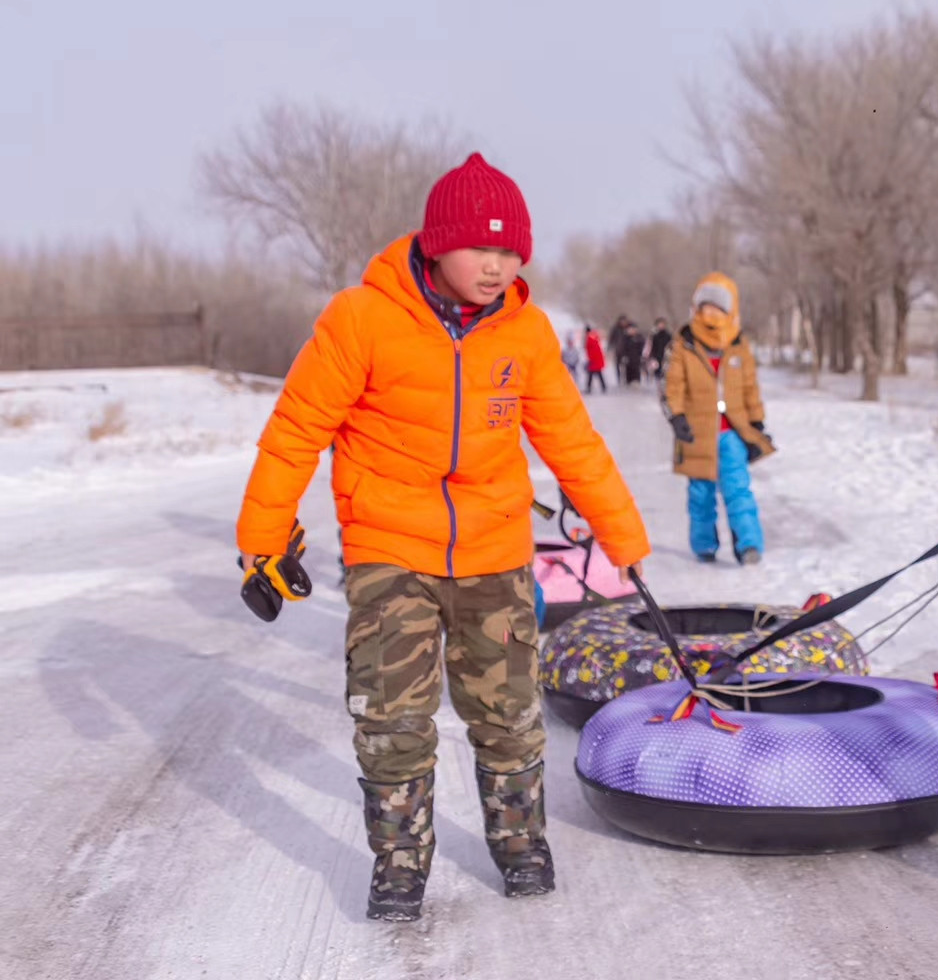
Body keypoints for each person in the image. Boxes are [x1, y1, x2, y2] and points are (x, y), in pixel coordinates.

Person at [235, 152, 651, 923]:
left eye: (511, 252)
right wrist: (263, 536)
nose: (498, 266)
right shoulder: (360, 318)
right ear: (436, 244)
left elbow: (572, 439)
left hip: (494, 552)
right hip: (389, 547)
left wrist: (622, 535)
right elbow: (296, 429)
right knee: (392, 715)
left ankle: (521, 842)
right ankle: (399, 862)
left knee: (508, 712)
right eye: (481, 249)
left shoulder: (523, 334)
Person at [663, 274, 774, 564]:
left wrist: (757, 420)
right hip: (697, 433)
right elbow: (672, 386)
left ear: (731, 311)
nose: (711, 314)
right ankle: (704, 545)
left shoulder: (738, 345)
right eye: (705, 307)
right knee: (700, 495)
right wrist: (676, 417)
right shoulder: (684, 344)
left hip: (732, 433)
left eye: (718, 308)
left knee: (738, 490)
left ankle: (749, 544)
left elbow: (751, 387)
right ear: (696, 309)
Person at [620, 322, 646, 387]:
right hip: (628, 357)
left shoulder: (639, 337)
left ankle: (636, 381)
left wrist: (643, 356)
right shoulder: (625, 338)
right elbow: (622, 348)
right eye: (630, 329)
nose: (632, 331)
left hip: (637, 357)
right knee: (628, 370)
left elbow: (643, 347)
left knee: (636, 370)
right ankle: (628, 382)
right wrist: (623, 356)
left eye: (633, 329)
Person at [583, 325, 608, 394]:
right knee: (597, 374)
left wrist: (590, 359)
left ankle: (589, 388)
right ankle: (603, 387)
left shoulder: (589, 338)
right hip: (596, 359)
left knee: (592, 374)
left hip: (594, 360)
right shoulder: (594, 337)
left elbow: (591, 350)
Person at [647, 317, 672, 382]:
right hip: (656, 357)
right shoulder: (654, 336)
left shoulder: (668, 335)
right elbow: (651, 347)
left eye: (662, 324)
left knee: (665, 373)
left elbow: (671, 346)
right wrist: (651, 357)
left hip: (666, 357)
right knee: (657, 374)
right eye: (660, 324)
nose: (661, 325)